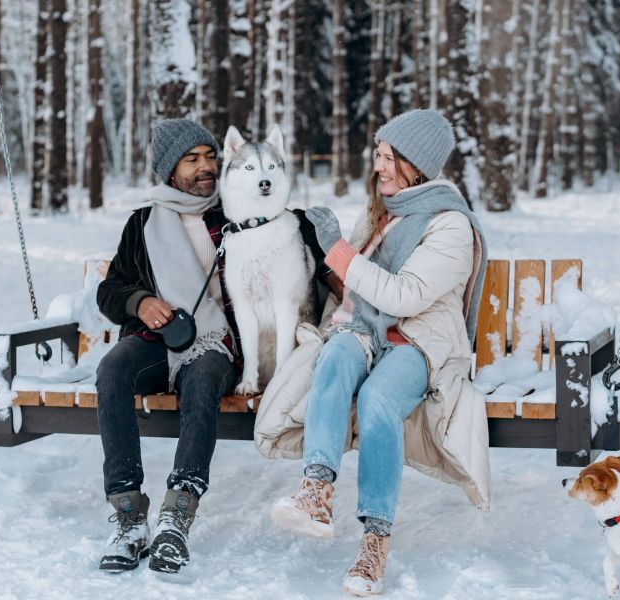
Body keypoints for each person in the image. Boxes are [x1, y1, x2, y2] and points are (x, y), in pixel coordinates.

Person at [261, 109, 490, 596]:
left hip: (417, 340)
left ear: (416, 165)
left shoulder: (450, 224)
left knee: (379, 399)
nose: (379, 167)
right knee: (335, 359)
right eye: (378, 157)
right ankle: (316, 492)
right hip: (364, 328)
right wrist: (317, 250)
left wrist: (338, 249)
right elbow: (356, 290)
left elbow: (404, 296)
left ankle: (375, 540)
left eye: (388, 158)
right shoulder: (384, 213)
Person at [94, 118, 327, 575]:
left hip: (218, 343)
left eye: (209, 156)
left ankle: (177, 514)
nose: (205, 167)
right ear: (169, 169)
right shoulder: (143, 224)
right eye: (191, 159)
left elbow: (291, 248)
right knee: (113, 370)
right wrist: (140, 303)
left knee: (203, 383)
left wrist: (318, 233)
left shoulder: (238, 212)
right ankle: (126, 517)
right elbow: (110, 291)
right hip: (158, 338)